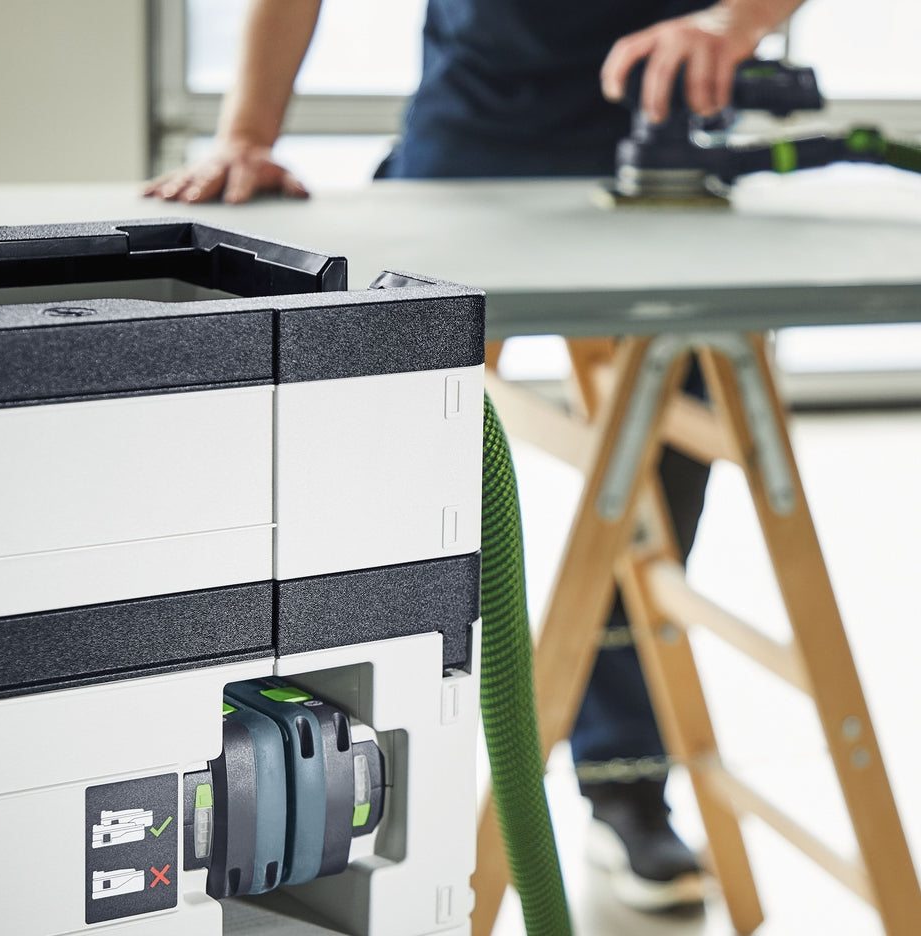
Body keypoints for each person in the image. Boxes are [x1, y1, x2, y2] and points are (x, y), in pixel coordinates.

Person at [146, 0, 807, 911]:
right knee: (366, 462)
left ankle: (625, 782)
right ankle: (323, 772)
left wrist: (737, 21)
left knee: (658, 470)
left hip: (662, 143)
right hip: (473, 132)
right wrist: (247, 133)